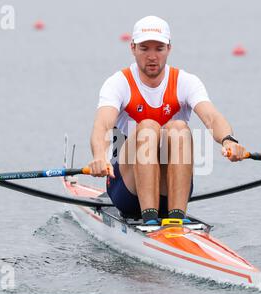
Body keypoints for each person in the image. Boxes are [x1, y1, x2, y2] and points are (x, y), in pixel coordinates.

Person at [88, 15, 247, 225]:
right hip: (128, 190)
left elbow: (212, 117)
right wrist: (100, 156)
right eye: (145, 49)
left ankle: (176, 219)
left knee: (179, 128)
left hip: (172, 191)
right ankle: (150, 219)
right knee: (148, 128)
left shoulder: (186, 82)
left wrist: (229, 141)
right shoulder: (118, 83)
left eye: (159, 48)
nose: (152, 56)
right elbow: (102, 126)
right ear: (132, 48)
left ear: (169, 49)